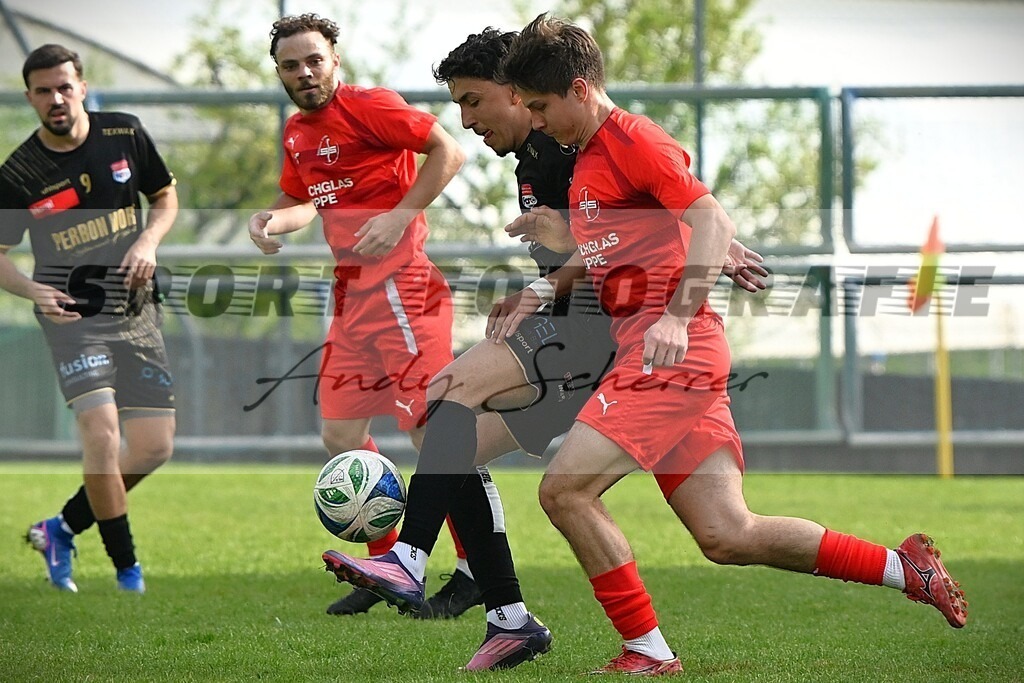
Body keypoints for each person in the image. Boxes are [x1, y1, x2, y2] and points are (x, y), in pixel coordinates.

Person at [503, 14, 969, 675]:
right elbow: (630, 241)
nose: (539, 121)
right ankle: (907, 569)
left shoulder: (633, 138)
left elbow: (709, 215)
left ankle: (648, 649)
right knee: (729, 533)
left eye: (543, 107)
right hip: (670, 355)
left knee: (564, 491)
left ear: (580, 89)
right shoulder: (591, 162)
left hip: (671, 352)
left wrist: (676, 311)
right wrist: (540, 293)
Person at [321, 28, 768, 671]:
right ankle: (505, 614)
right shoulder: (539, 153)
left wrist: (702, 245)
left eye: (475, 102)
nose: (468, 120)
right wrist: (541, 282)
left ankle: (412, 561)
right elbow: (624, 222)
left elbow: (648, 206)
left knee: (449, 400)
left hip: (594, 338)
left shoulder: (568, 144)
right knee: (444, 434)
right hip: (574, 329)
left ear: (518, 94)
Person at [249, 13, 488, 617]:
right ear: (278, 72)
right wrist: (271, 219)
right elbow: (301, 197)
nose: (304, 73)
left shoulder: (371, 106)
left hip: (405, 293)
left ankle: (474, 569)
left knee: (430, 434)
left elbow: (449, 151)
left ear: (335, 59)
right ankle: (385, 561)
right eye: (290, 65)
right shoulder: (298, 134)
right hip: (352, 299)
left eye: (314, 60)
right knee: (339, 436)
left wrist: (402, 212)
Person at [1, 44, 178, 594]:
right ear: (30, 96)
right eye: (43, 90)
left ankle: (60, 529)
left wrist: (148, 240)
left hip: (134, 308)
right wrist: (34, 290)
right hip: (71, 317)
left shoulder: (123, 134)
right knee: (101, 436)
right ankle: (129, 574)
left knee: (154, 447)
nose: (56, 98)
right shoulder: (18, 173)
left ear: (81, 85)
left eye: (64, 86)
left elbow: (165, 196)